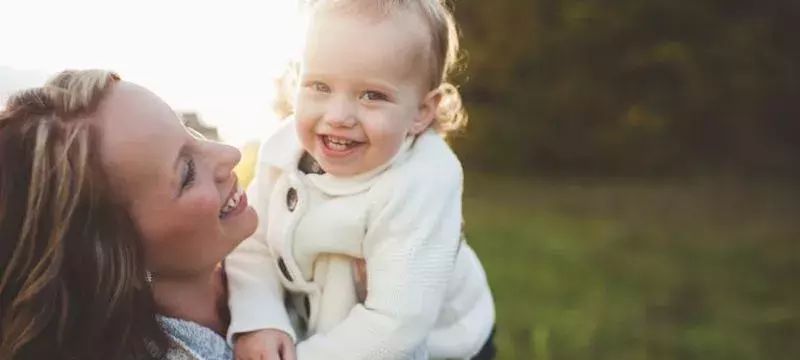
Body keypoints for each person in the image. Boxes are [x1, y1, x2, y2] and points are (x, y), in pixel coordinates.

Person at [227, 0, 496, 359]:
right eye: (320, 86)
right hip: (329, 325)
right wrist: (261, 320)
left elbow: (395, 327)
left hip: (437, 344)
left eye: (373, 95)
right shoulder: (282, 152)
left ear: (420, 113)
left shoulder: (421, 181)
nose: (338, 116)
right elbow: (252, 243)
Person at [0, 70, 292, 360]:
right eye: (187, 173)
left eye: (190, 130)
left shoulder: (277, 252)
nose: (229, 154)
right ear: (114, 256)